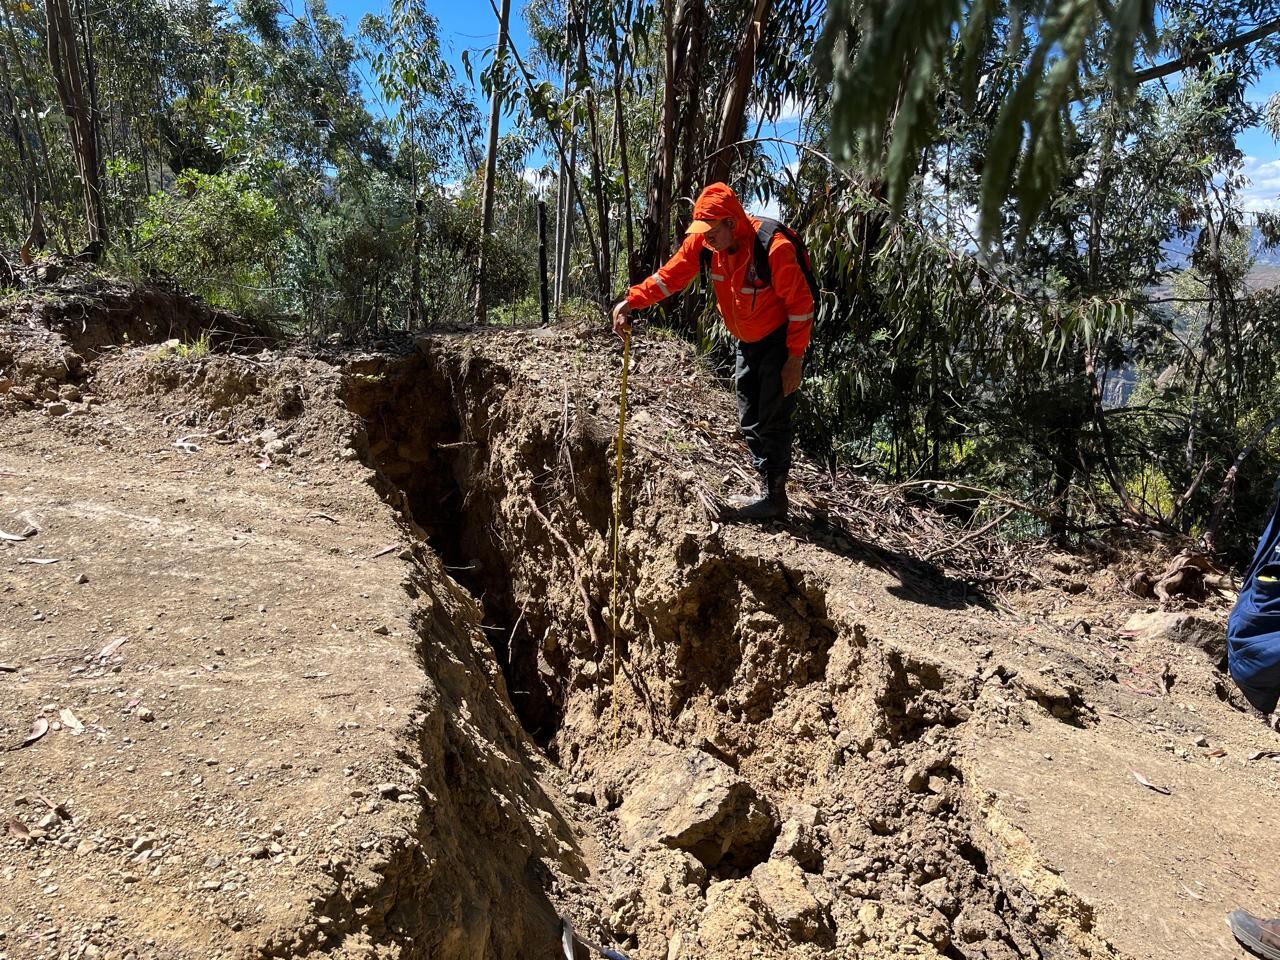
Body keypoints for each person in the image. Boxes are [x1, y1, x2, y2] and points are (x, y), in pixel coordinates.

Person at [612, 182, 815, 521]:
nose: (706, 238)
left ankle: (776, 498)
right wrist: (632, 300)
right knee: (749, 419)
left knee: (773, 419)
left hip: (779, 342)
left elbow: (801, 306)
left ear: (731, 224)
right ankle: (767, 491)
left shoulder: (773, 248)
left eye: (712, 231)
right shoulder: (705, 244)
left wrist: (794, 358)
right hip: (745, 341)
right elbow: (670, 277)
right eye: (702, 231)